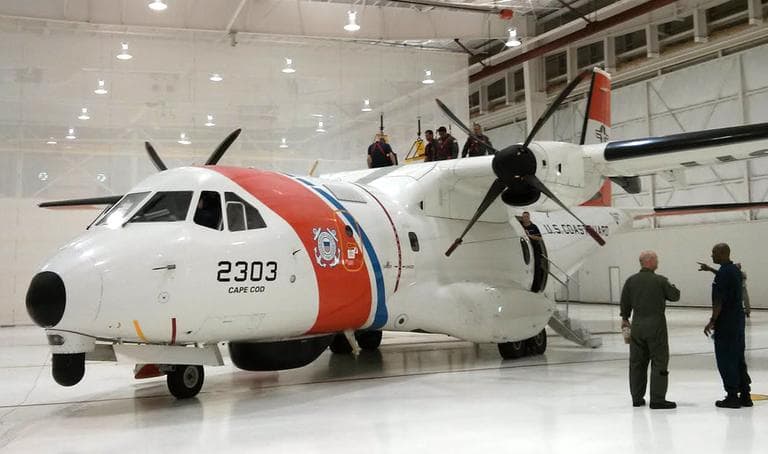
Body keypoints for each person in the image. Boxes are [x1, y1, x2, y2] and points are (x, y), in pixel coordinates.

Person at [620, 250, 680, 409]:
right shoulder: (659, 280)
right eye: (656, 260)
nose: (658, 262)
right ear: (650, 261)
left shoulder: (630, 281)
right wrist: (671, 286)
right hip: (656, 326)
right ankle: (658, 399)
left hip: (637, 326)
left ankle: (637, 398)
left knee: (637, 363)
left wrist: (625, 319)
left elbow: (624, 302)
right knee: (659, 361)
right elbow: (675, 296)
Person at [699, 244, 752, 408]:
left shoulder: (724, 273)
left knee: (726, 357)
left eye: (714, 252)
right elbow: (725, 277)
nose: (711, 255)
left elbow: (719, 301)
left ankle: (731, 396)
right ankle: (745, 394)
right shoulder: (734, 270)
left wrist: (712, 320)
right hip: (737, 320)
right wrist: (710, 269)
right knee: (738, 357)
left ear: (723, 253)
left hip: (726, 321)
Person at [520, 211, 544, 290]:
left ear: (529, 218)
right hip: (523, 251)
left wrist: (529, 236)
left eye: (526, 217)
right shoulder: (520, 226)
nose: (525, 218)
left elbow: (540, 238)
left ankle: (536, 287)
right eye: (524, 217)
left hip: (535, 249)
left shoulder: (534, 227)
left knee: (537, 267)